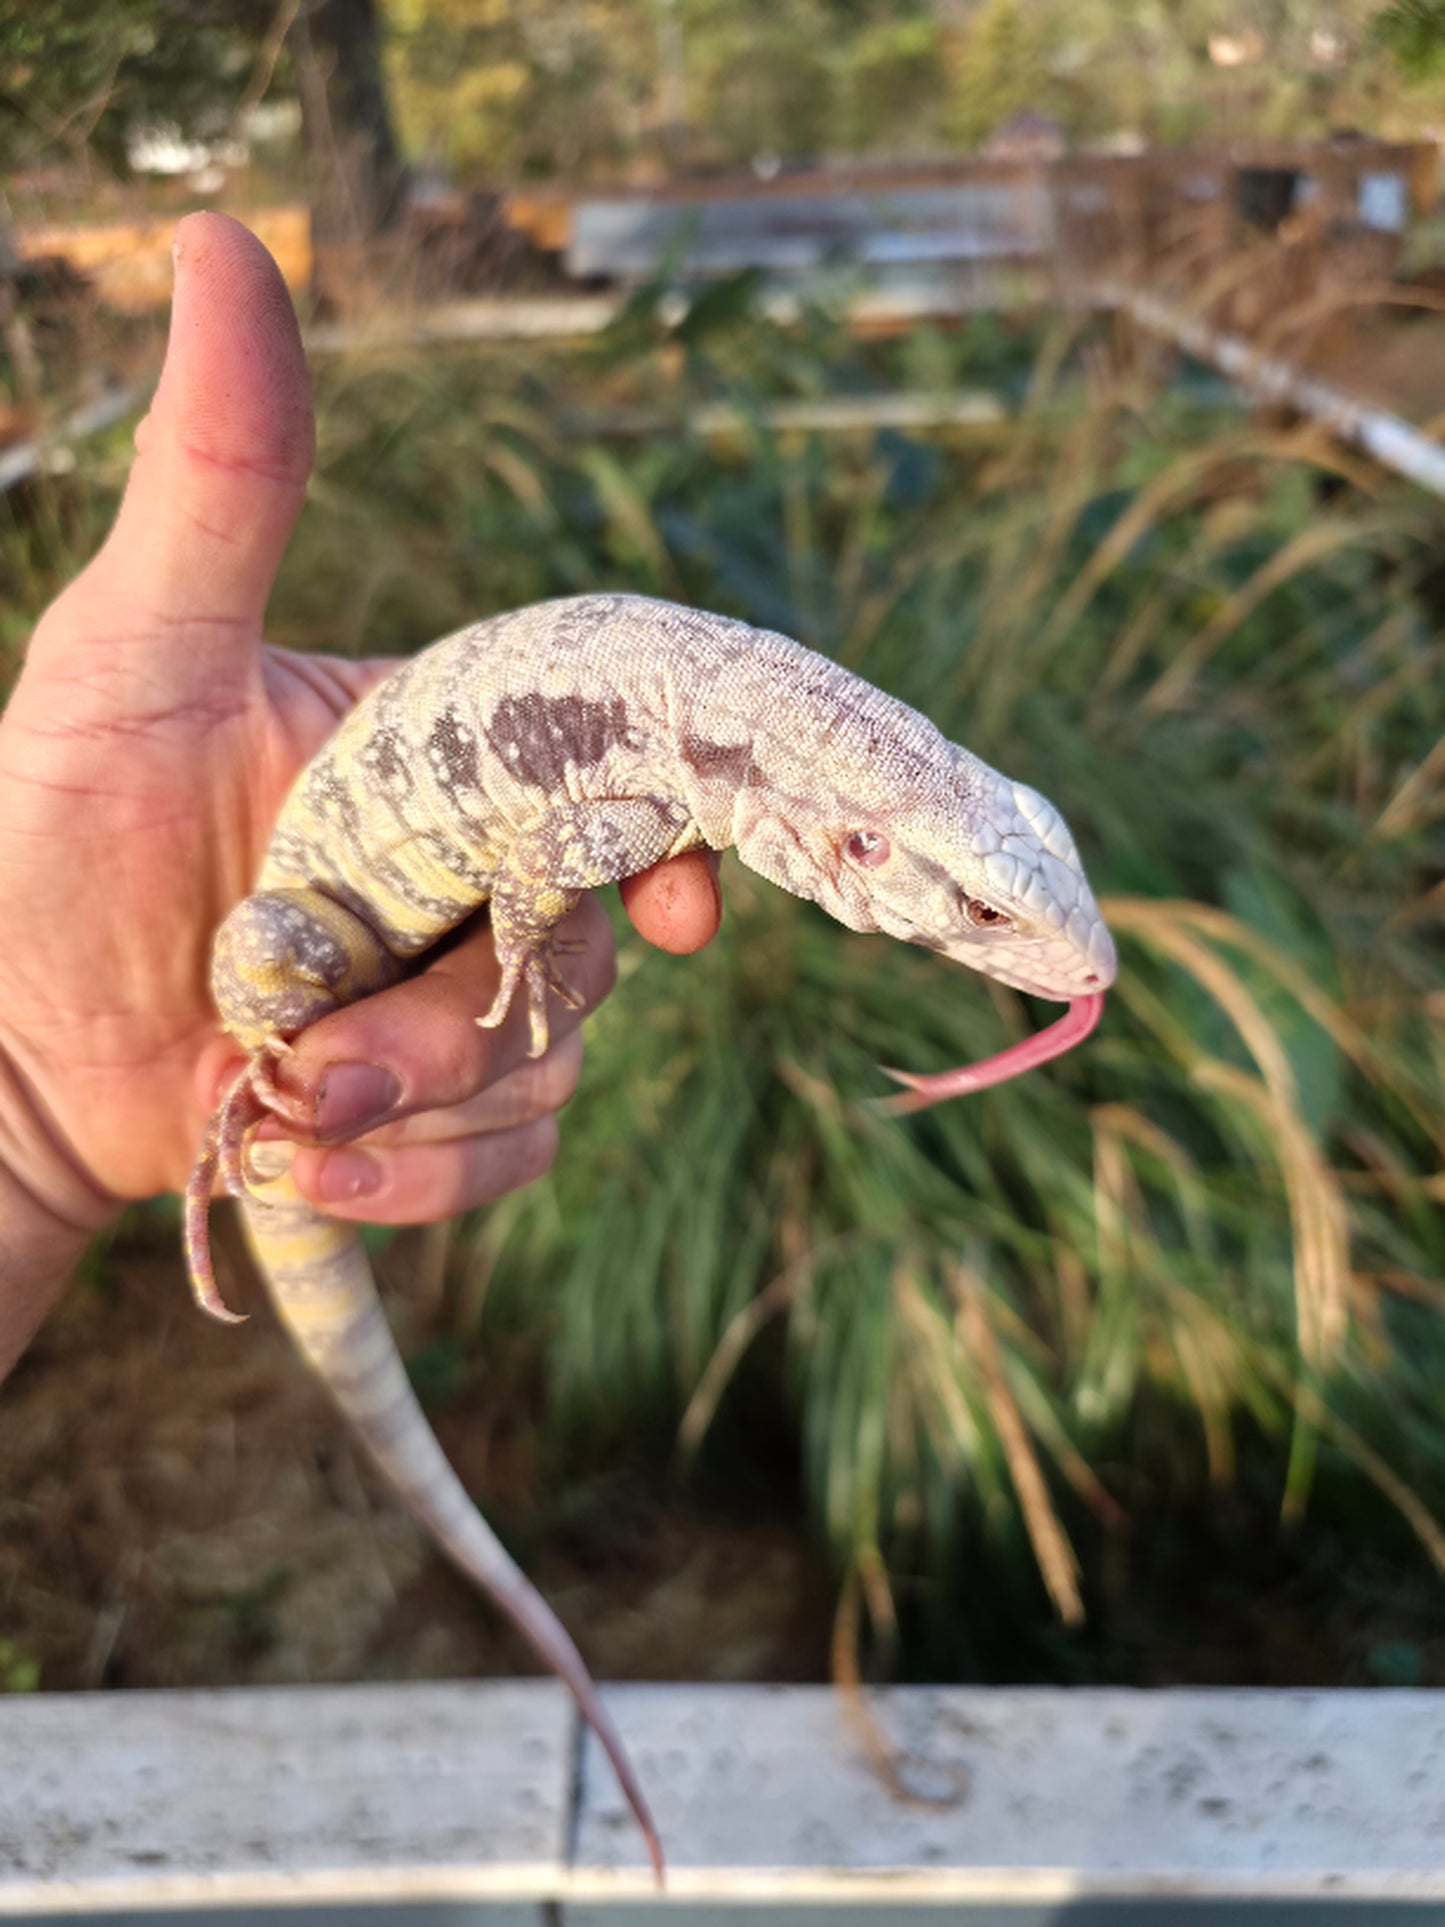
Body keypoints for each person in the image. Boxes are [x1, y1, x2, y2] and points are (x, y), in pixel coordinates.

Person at [0, 212, 722, 1379]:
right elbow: (537, 872)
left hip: (377, 920)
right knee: (287, 965)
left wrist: (28, 1142)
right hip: (315, 927)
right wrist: (20, 1107)